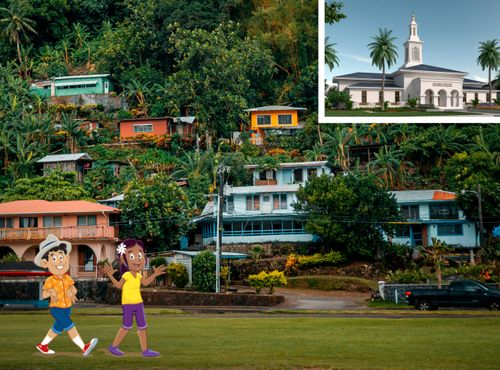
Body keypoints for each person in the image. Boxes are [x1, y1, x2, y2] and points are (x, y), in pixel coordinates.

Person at [34, 234, 98, 356]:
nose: (59, 261)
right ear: (45, 263)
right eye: (54, 258)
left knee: (57, 328)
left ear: (67, 258)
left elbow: (73, 289)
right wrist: (50, 292)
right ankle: (84, 347)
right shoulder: (50, 280)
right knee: (69, 326)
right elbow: (43, 293)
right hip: (56, 308)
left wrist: (72, 292)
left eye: (61, 256)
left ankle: (42, 345)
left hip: (67, 307)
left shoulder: (68, 278)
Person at [103, 239, 167, 357]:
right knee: (126, 326)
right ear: (124, 259)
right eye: (132, 255)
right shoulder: (126, 275)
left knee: (142, 326)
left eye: (140, 255)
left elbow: (146, 283)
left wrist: (154, 274)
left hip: (139, 303)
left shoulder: (138, 275)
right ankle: (113, 347)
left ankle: (145, 350)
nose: (137, 259)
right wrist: (110, 276)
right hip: (127, 304)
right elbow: (118, 285)